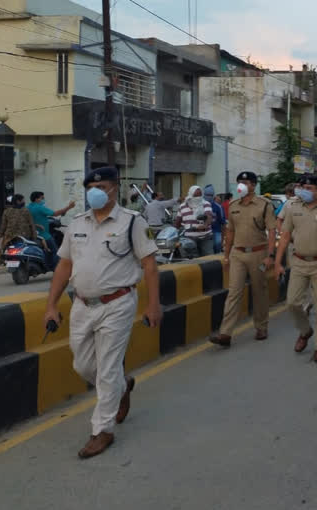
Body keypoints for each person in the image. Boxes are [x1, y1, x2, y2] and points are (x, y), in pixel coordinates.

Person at [43, 166, 161, 458]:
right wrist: (51, 305)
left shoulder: (132, 222)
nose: (97, 191)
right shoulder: (76, 224)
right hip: (82, 304)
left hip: (118, 303)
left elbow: (149, 264)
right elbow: (64, 266)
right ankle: (123, 387)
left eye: (104, 186)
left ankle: (102, 430)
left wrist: (153, 303)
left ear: (115, 188)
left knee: (107, 367)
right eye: (92, 187)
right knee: (82, 366)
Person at [274, 174, 317, 363]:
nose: (306, 190)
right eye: (304, 187)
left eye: (311, 188)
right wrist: (278, 262)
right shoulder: (293, 207)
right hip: (298, 261)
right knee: (292, 302)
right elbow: (286, 236)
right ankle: (305, 331)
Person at [210, 172, 276, 347]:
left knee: (259, 290)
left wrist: (270, 256)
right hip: (237, 254)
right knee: (233, 292)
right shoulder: (233, 206)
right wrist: (226, 256)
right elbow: (230, 232)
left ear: (253, 185)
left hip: (258, 254)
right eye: (239, 182)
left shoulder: (264, 205)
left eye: (245, 182)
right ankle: (225, 333)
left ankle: (261, 326)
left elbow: (272, 231)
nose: (241, 186)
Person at [28, 191, 75, 269]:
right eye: (42, 198)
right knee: (55, 250)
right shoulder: (39, 208)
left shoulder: (28, 207)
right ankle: (56, 268)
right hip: (43, 235)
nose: (43, 200)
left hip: (32, 234)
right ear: (36, 199)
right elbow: (55, 213)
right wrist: (69, 207)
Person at [176, 186, 215, 256]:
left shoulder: (206, 204)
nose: (198, 197)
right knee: (190, 260)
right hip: (189, 238)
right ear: (190, 194)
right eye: (196, 195)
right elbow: (178, 221)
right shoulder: (182, 206)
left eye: (200, 195)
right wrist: (175, 230)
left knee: (209, 259)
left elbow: (209, 215)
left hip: (205, 237)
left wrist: (205, 225)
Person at [204, 184, 227, 253]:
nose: (208, 197)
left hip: (216, 231)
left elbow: (223, 223)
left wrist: (222, 239)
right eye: (207, 195)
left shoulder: (218, 207)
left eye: (210, 195)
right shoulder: (200, 206)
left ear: (213, 195)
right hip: (204, 232)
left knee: (217, 244)